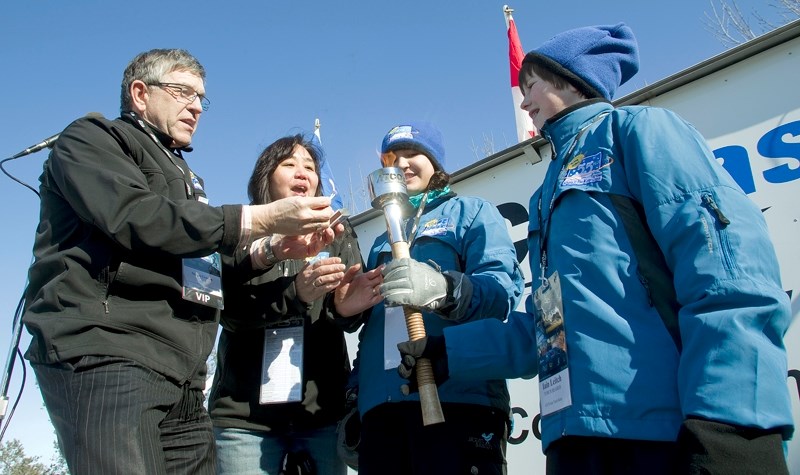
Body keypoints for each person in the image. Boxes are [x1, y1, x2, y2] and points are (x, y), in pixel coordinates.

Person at [397, 24, 794, 474]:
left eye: (533, 86)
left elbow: (726, 271)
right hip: (573, 438)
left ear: (572, 79)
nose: (524, 102)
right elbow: (550, 328)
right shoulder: (546, 193)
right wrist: (451, 353)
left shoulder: (639, 131)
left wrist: (735, 424)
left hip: (663, 432)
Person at [21, 49, 339, 474]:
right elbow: (136, 216)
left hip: (183, 380)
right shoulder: (91, 139)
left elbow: (199, 265)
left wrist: (274, 250)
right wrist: (260, 219)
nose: (195, 107)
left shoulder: (187, 178)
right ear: (140, 93)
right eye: (182, 92)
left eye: (201, 99)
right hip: (110, 358)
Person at [337, 121, 524, 475]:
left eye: (413, 154)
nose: (403, 164)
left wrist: (444, 289)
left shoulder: (471, 213)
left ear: (435, 162)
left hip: (459, 396)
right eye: (393, 158)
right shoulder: (380, 242)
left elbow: (502, 293)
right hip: (382, 408)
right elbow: (373, 331)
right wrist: (355, 395)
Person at [209, 134, 381, 475]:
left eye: (310, 166)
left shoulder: (338, 232)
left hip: (321, 414)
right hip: (244, 420)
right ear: (265, 179)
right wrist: (296, 293)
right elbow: (228, 313)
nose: (302, 173)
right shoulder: (240, 232)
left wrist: (346, 309)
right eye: (288, 165)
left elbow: (347, 313)